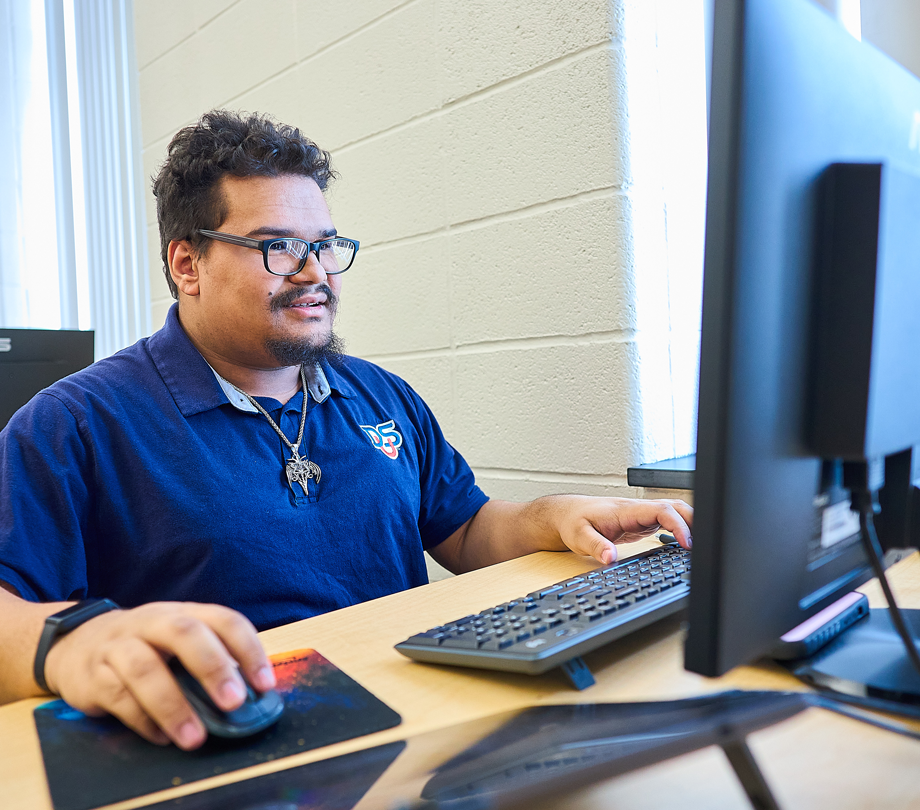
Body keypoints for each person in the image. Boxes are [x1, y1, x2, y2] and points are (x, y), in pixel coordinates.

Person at [0, 110, 692, 750]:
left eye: (326, 245)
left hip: (420, 724)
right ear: (188, 264)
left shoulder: (378, 394)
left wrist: (557, 517)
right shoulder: (72, 426)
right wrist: (68, 646)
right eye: (277, 248)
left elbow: (465, 530)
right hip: (237, 753)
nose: (315, 273)